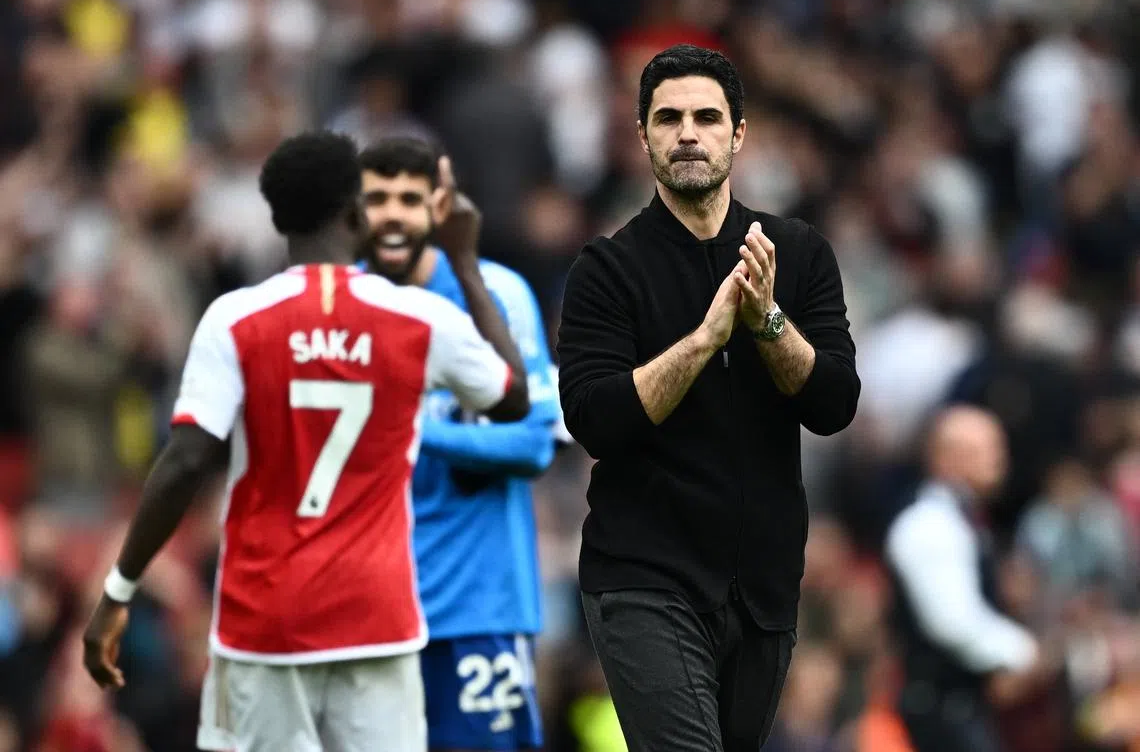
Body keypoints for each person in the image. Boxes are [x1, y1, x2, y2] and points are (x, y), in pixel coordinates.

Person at [80, 130, 531, 752]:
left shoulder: (234, 320)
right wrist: (466, 264)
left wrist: (117, 593)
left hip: (263, 622)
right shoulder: (418, 320)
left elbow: (185, 461)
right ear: (356, 212)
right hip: (377, 619)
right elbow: (513, 399)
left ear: (275, 217)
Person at [556, 44, 861, 752]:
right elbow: (596, 419)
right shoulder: (607, 268)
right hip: (643, 576)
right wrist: (703, 340)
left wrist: (766, 322)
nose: (687, 132)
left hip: (763, 586)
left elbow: (834, 404)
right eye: (668, 118)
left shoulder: (798, 253)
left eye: (706, 117)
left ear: (739, 133)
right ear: (643, 137)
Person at [357, 136, 558, 752]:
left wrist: (412, 431)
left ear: (439, 207)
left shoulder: (496, 295)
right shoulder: (342, 309)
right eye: (376, 199)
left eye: (409, 199)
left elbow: (533, 444)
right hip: (368, 611)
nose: (392, 215)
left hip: (478, 608)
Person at [884, 406, 1061, 752]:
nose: (999, 458)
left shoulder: (961, 519)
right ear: (945, 458)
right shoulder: (929, 524)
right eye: (986, 449)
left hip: (961, 705)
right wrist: (1024, 652)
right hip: (942, 708)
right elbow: (951, 621)